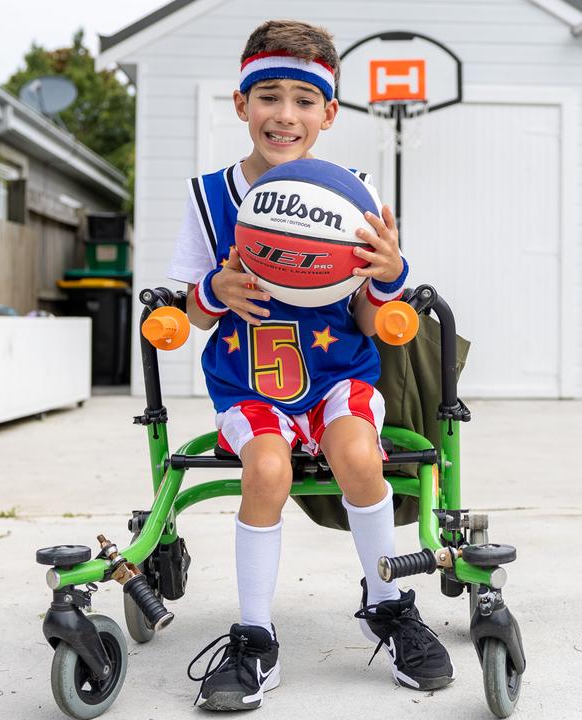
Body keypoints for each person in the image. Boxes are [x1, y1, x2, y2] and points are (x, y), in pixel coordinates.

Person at [165, 18, 455, 713]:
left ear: (329, 112)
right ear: (242, 104)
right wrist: (214, 290)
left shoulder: (352, 195)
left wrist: (388, 275)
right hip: (250, 384)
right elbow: (192, 313)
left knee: (360, 456)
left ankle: (386, 605)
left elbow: (368, 316)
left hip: (336, 378)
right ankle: (255, 635)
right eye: (268, 96)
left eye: (303, 99)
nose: (284, 114)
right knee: (267, 469)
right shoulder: (210, 197)